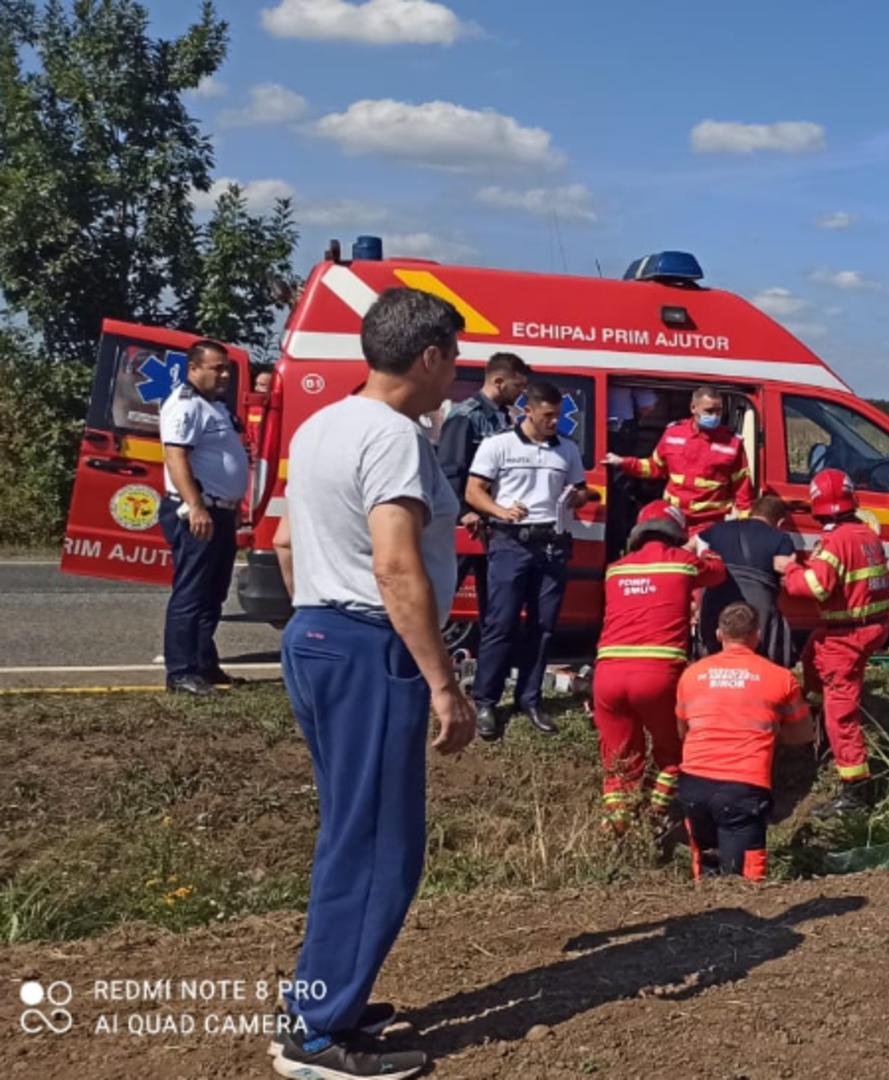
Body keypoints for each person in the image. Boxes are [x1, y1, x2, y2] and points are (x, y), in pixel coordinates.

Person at [268, 286, 476, 1079]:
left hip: (316, 635)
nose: (455, 375)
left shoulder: (322, 425)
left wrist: (319, 617)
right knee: (383, 843)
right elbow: (395, 565)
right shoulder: (394, 437)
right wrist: (443, 682)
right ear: (428, 357)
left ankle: (326, 996)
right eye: (454, 359)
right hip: (366, 646)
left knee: (349, 829)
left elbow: (288, 541)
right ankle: (317, 1033)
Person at [464, 380, 593, 740]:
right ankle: (486, 701)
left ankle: (530, 699)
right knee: (501, 623)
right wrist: (501, 511)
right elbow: (474, 492)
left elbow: (580, 489)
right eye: (549, 416)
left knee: (544, 626)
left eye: (558, 416)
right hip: (510, 542)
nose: (555, 422)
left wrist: (578, 497)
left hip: (552, 544)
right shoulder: (498, 445)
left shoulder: (566, 449)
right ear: (529, 411)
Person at [592, 501, 727, 840]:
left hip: (607, 673)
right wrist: (703, 545)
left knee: (619, 759)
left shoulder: (616, 568)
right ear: (675, 534)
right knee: (671, 750)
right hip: (657, 671)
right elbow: (718, 571)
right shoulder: (682, 562)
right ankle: (655, 815)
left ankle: (617, 825)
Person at [776, 468, 889, 818]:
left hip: (848, 636)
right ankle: (813, 716)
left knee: (842, 714)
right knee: (812, 652)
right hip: (866, 627)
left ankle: (856, 789)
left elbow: (815, 588)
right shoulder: (864, 533)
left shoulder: (835, 540)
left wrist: (789, 569)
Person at [675, 602, 814, 881]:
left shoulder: (691, 675)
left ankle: (705, 920)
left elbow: (683, 731)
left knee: (706, 868)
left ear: (718, 634)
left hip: (693, 784)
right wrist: (772, 732)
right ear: (757, 635)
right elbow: (803, 734)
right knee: (744, 881)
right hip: (743, 788)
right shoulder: (780, 678)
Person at [157, 340, 248, 696]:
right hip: (198, 512)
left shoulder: (215, 407)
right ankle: (181, 672)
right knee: (191, 594)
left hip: (218, 510)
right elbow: (176, 457)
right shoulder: (185, 406)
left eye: (226, 367)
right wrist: (195, 505)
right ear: (194, 369)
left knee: (213, 593)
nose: (225, 374)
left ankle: (204, 665)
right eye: (217, 368)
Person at [434, 352, 530, 621]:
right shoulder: (466, 416)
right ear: (499, 381)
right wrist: (464, 511)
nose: (521, 393)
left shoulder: (504, 418)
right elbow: (450, 469)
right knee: (444, 591)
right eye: (518, 386)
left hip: (494, 524)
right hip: (468, 524)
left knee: (496, 603)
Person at [602, 385, 752, 534]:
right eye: (709, 411)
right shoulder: (673, 434)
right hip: (674, 521)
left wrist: (746, 527)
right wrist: (623, 462)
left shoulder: (732, 443)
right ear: (693, 408)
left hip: (710, 525)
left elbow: (743, 489)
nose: (714, 416)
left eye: (718, 411)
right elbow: (654, 467)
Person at [695, 493, 798, 665]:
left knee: (712, 659)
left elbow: (691, 548)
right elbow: (787, 574)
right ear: (780, 523)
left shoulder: (716, 529)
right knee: (759, 662)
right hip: (758, 612)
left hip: (714, 603)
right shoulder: (781, 539)